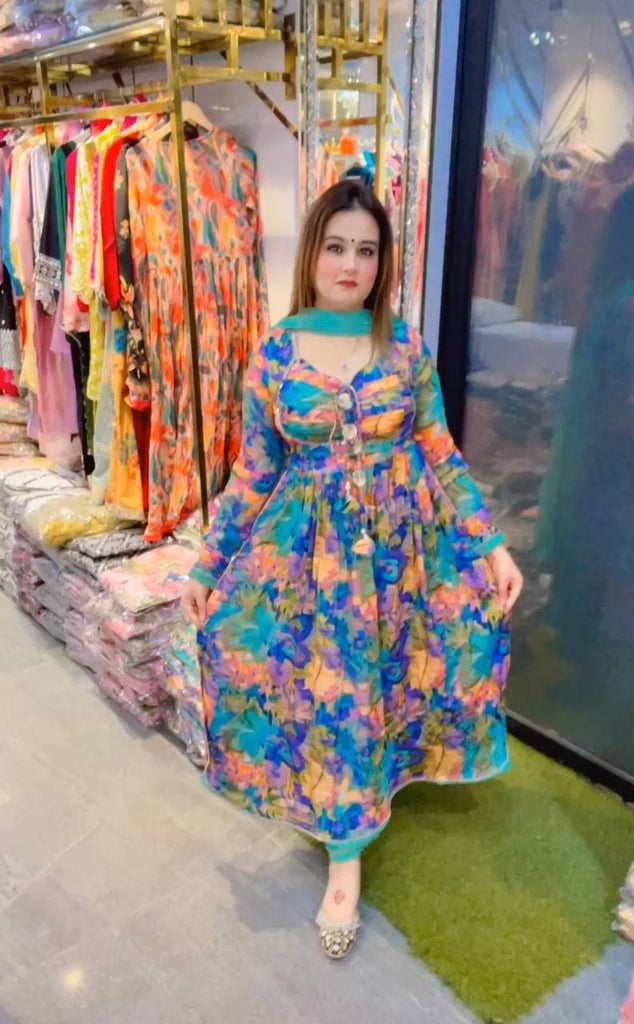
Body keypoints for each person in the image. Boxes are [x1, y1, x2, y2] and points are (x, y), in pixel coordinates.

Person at [182, 179, 523, 959]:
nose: (351, 265)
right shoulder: (275, 354)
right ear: (312, 253)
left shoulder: (404, 347)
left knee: (389, 682)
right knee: (336, 697)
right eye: (336, 246)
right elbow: (255, 471)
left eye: (367, 251)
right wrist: (210, 564)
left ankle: (380, 792)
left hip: (404, 556)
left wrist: (491, 545)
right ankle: (345, 860)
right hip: (311, 562)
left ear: (383, 262)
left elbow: (440, 453)